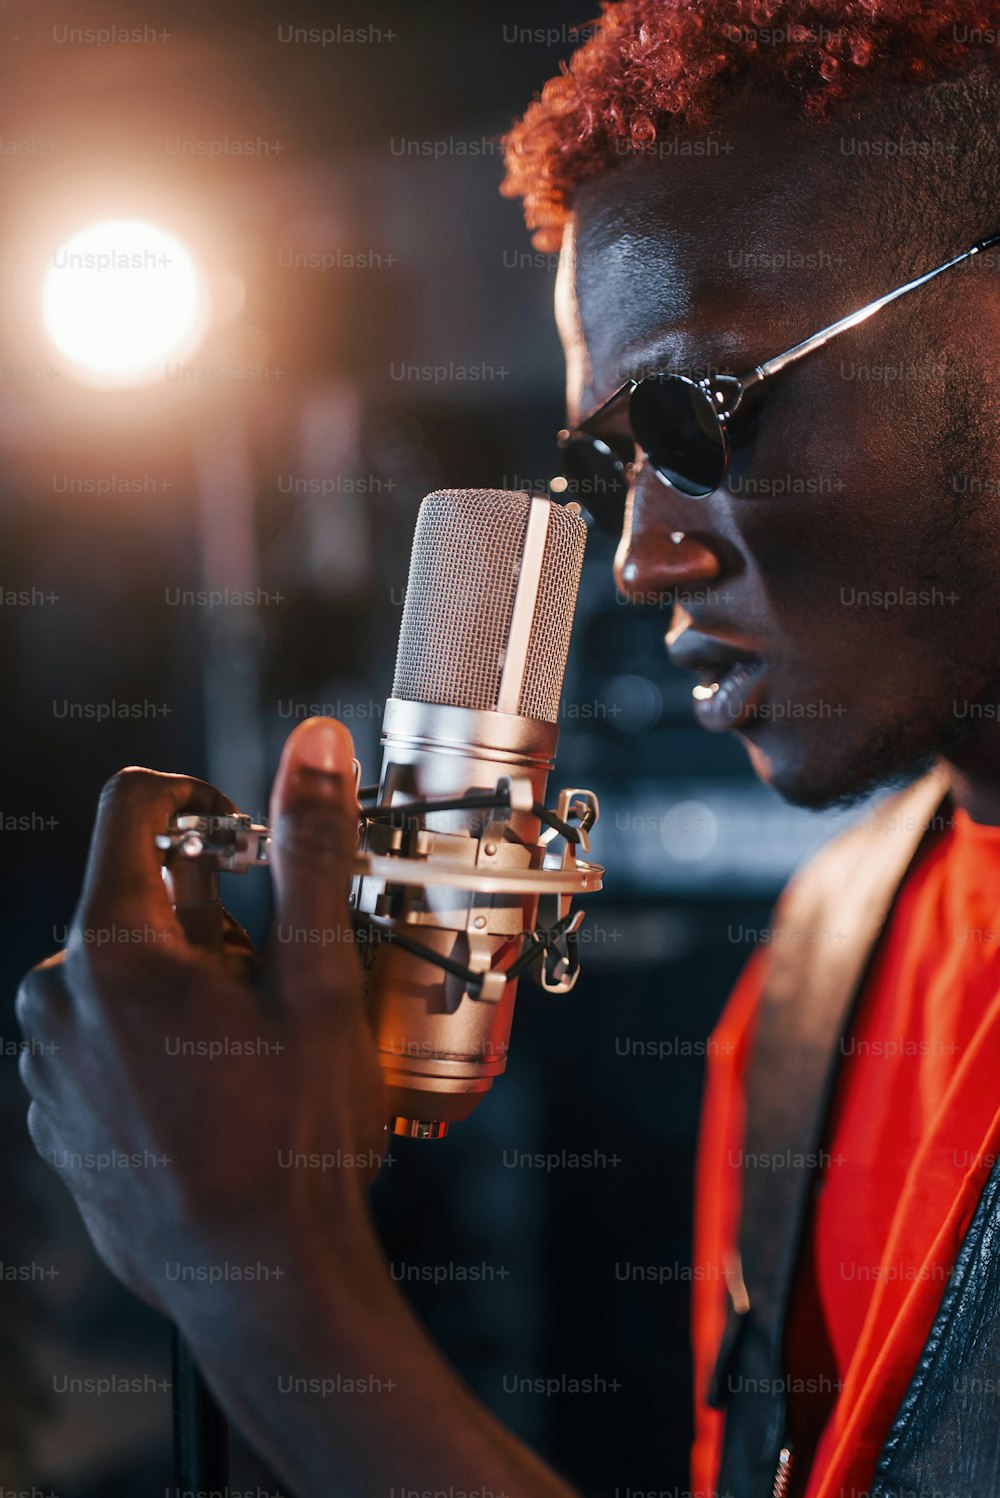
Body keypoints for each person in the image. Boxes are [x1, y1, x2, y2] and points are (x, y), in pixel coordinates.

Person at [17, 4, 1000, 1495]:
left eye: (694, 415)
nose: (641, 557)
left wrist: (254, 1270)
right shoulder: (819, 970)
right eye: (613, 460)